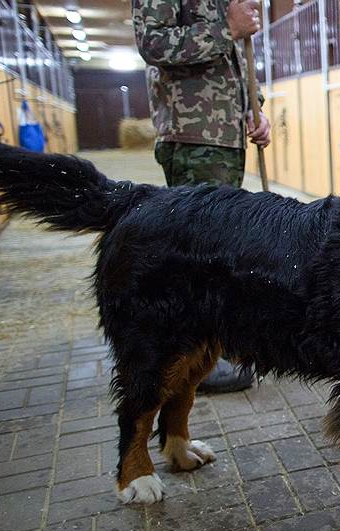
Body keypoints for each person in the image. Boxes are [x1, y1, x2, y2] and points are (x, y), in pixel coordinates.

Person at [132, 0, 271, 392]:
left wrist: (254, 109)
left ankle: (221, 341)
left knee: (226, 247)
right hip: (192, 137)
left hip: (226, 138)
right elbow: (152, 43)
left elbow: (235, 64)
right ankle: (190, 353)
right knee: (198, 253)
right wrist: (227, 27)